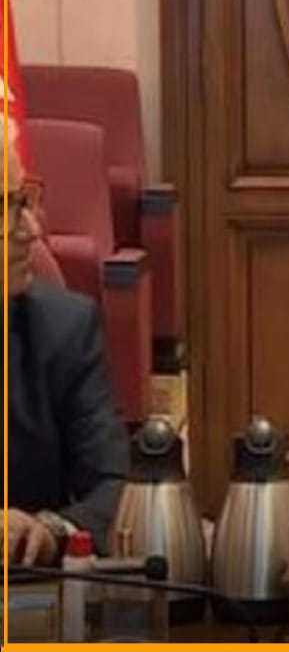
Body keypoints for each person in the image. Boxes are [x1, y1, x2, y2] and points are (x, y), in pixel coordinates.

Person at [5, 149, 128, 564]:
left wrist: (50, 530)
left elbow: (115, 487)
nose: (31, 230)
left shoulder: (64, 330)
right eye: (5, 208)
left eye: (25, 200)